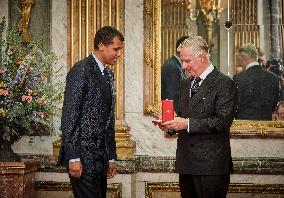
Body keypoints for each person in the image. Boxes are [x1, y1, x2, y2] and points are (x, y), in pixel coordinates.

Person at [158, 36, 238, 198]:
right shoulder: (186, 84)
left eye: (187, 61)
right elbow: (183, 115)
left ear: (202, 57)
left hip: (211, 166)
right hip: (186, 162)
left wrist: (186, 124)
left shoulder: (224, 83)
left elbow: (222, 122)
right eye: (182, 61)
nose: (184, 66)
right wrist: (170, 125)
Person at [58, 26, 124, 198]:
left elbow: (108, 120)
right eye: (115, 49)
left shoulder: (108, 74)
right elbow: (69, 116)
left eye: (120, 50)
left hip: (101, 158)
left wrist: (111, 157)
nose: (118, 54)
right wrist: (73, 157)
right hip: (82, 157)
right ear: (102, 45)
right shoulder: (81, 70)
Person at [233, 43, 279, 120]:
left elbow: (234, 106)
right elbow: (274, 106)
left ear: (243, 57)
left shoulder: (238, 78)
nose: (239, 63)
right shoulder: (273, 78)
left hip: (243, 127)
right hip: (265, 127)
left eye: (239, 60)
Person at [161, 36, 189, 114]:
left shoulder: (176, 65)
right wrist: (171, 120)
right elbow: (171, 97)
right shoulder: (172, 67)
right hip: (173, 119)